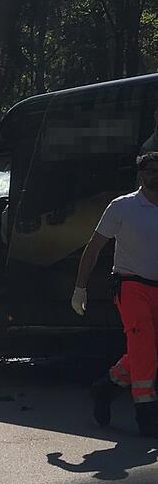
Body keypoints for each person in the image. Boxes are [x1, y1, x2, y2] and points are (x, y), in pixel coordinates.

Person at [72, 151, 158, 437]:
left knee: (144, 350)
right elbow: (94, 247)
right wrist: (79, 288)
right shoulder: (122, 207)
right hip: (131, 285)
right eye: (148, 170)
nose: (153, 175)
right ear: (140, 175)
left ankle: (105, 388)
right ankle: (146, 413)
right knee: (144, 344)